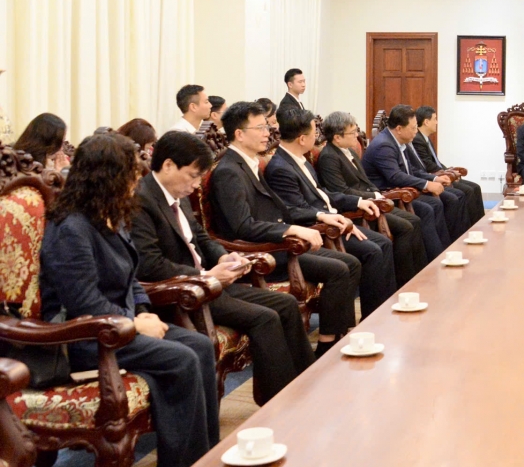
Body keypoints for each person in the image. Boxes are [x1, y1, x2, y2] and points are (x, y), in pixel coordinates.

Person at [40, 133, 219, 467]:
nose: (135, 183)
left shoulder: (110, 215)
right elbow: (83, 302)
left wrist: (143, 309)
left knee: (198, 346)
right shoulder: (70, 228)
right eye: (129, 176)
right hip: (86, 337)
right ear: (106, 178)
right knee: (181, 359)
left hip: (120, 326)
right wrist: (134, 324)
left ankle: (205, 458)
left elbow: (131, 276)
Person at [130, 131, 313, 402]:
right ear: (168, 165)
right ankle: (280, 402)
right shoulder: (142, 200)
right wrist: (205, 276)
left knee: (284, 305)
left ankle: (308, 384)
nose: (195, 185)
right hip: (182, 292)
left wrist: (223, 258)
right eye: (193, 175)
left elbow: (201, 237)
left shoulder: (174, 192)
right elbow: (150, 265)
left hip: (209, 282)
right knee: (265, 317)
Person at [208, 101, 362, 357]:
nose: (269, 132)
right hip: (262, 252)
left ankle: (339, 334)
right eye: (261, 127)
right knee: (338, 269)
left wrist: (319, 217)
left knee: (350, 263)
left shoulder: (250, 163)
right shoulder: (229, 171)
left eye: (267, 126)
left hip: (280, 243)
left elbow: (282, 209)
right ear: (239, 134)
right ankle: (326, 344)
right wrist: (291, 231)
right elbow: (242, 226)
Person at [264, 108, 396, 319]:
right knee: (372, 250)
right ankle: (372, 317)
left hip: (333, 219)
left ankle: (383, 309)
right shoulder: (281, 167)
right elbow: (296, 210)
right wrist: (326, 217)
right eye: (314, 132)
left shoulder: (300, 159)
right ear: (302, 138)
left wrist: (358, 201)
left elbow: (322, 193)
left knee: (383, 243)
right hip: (318, 229)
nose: (318, 137)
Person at [316, 111, 429, 281]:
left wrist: (376, 193)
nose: (357, 135)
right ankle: (405, 280)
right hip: (356, 209)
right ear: (337, 137)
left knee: (414, 221)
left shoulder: (350, 152)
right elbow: (341, 191)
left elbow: (366, 180)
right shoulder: (329, 157)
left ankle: (419, 274)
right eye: (352, 132)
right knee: (405, 227)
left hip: (372, 201)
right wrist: (372, 195)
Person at [363, 104, 468, 251]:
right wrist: (426, 184)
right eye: (413, 128)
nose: (416, 131)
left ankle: (446, 249)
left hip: (403, 188)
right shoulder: (384, 145)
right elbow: (395, 176)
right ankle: (436, 255)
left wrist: (434, 179)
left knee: (438, 202)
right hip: (389, 194)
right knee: (429, 208)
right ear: (399, 129)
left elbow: (410, 169)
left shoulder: (398, 141)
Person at [412, 106, 485, 225]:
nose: (437, 122)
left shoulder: (426, 138)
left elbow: (436, 162)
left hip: (440, 174)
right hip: (432, 177)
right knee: (466, 191)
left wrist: (449, 171)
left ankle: (479, 224)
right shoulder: (417, 140)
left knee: (475, 187)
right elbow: (429, 166)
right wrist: (448, 174)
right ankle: (468, 228)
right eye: (435, 119)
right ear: (426, 121)